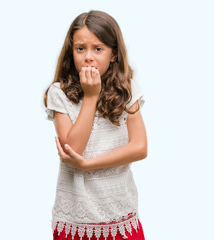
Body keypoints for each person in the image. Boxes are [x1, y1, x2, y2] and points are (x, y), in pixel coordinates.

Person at [43, 10, 147, 240]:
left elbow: (139, 148)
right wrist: (90, 97)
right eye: (80, 48)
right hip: (76, 220)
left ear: (114, 55)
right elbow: (73, 149)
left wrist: (89, 165)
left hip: (120, 213)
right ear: (72, 52)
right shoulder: (59, 93)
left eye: (98, 49)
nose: (88, 56)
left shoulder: (127, 89)